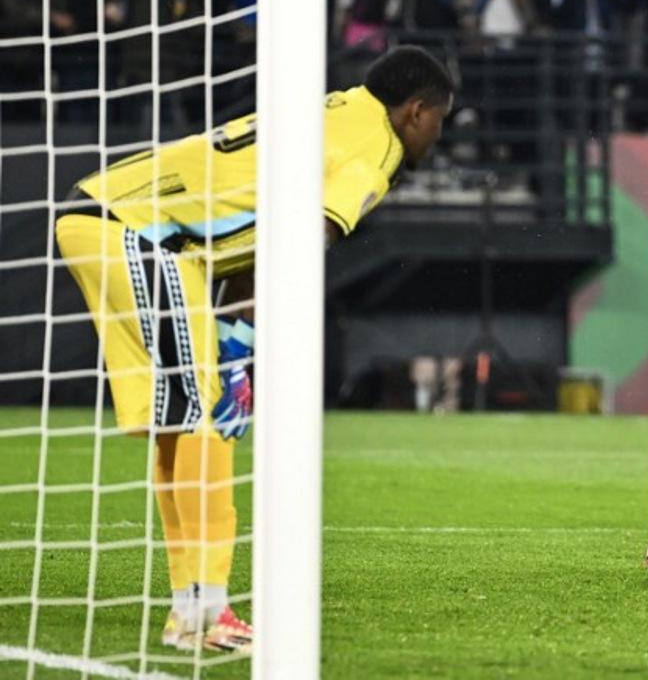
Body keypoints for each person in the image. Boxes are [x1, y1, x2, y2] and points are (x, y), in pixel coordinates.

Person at [55, 47, 454, 650]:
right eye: (439, 122)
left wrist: (242, 340)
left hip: (108, 219)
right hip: (146, 236)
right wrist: (251, 356)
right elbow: (300, 240)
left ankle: (191, 609)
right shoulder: (376, 148)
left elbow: (256, 236)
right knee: (208, 416)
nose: (437, 137)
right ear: (416, 111)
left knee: (183, 419)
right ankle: (207, 612)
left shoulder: (335, 110)